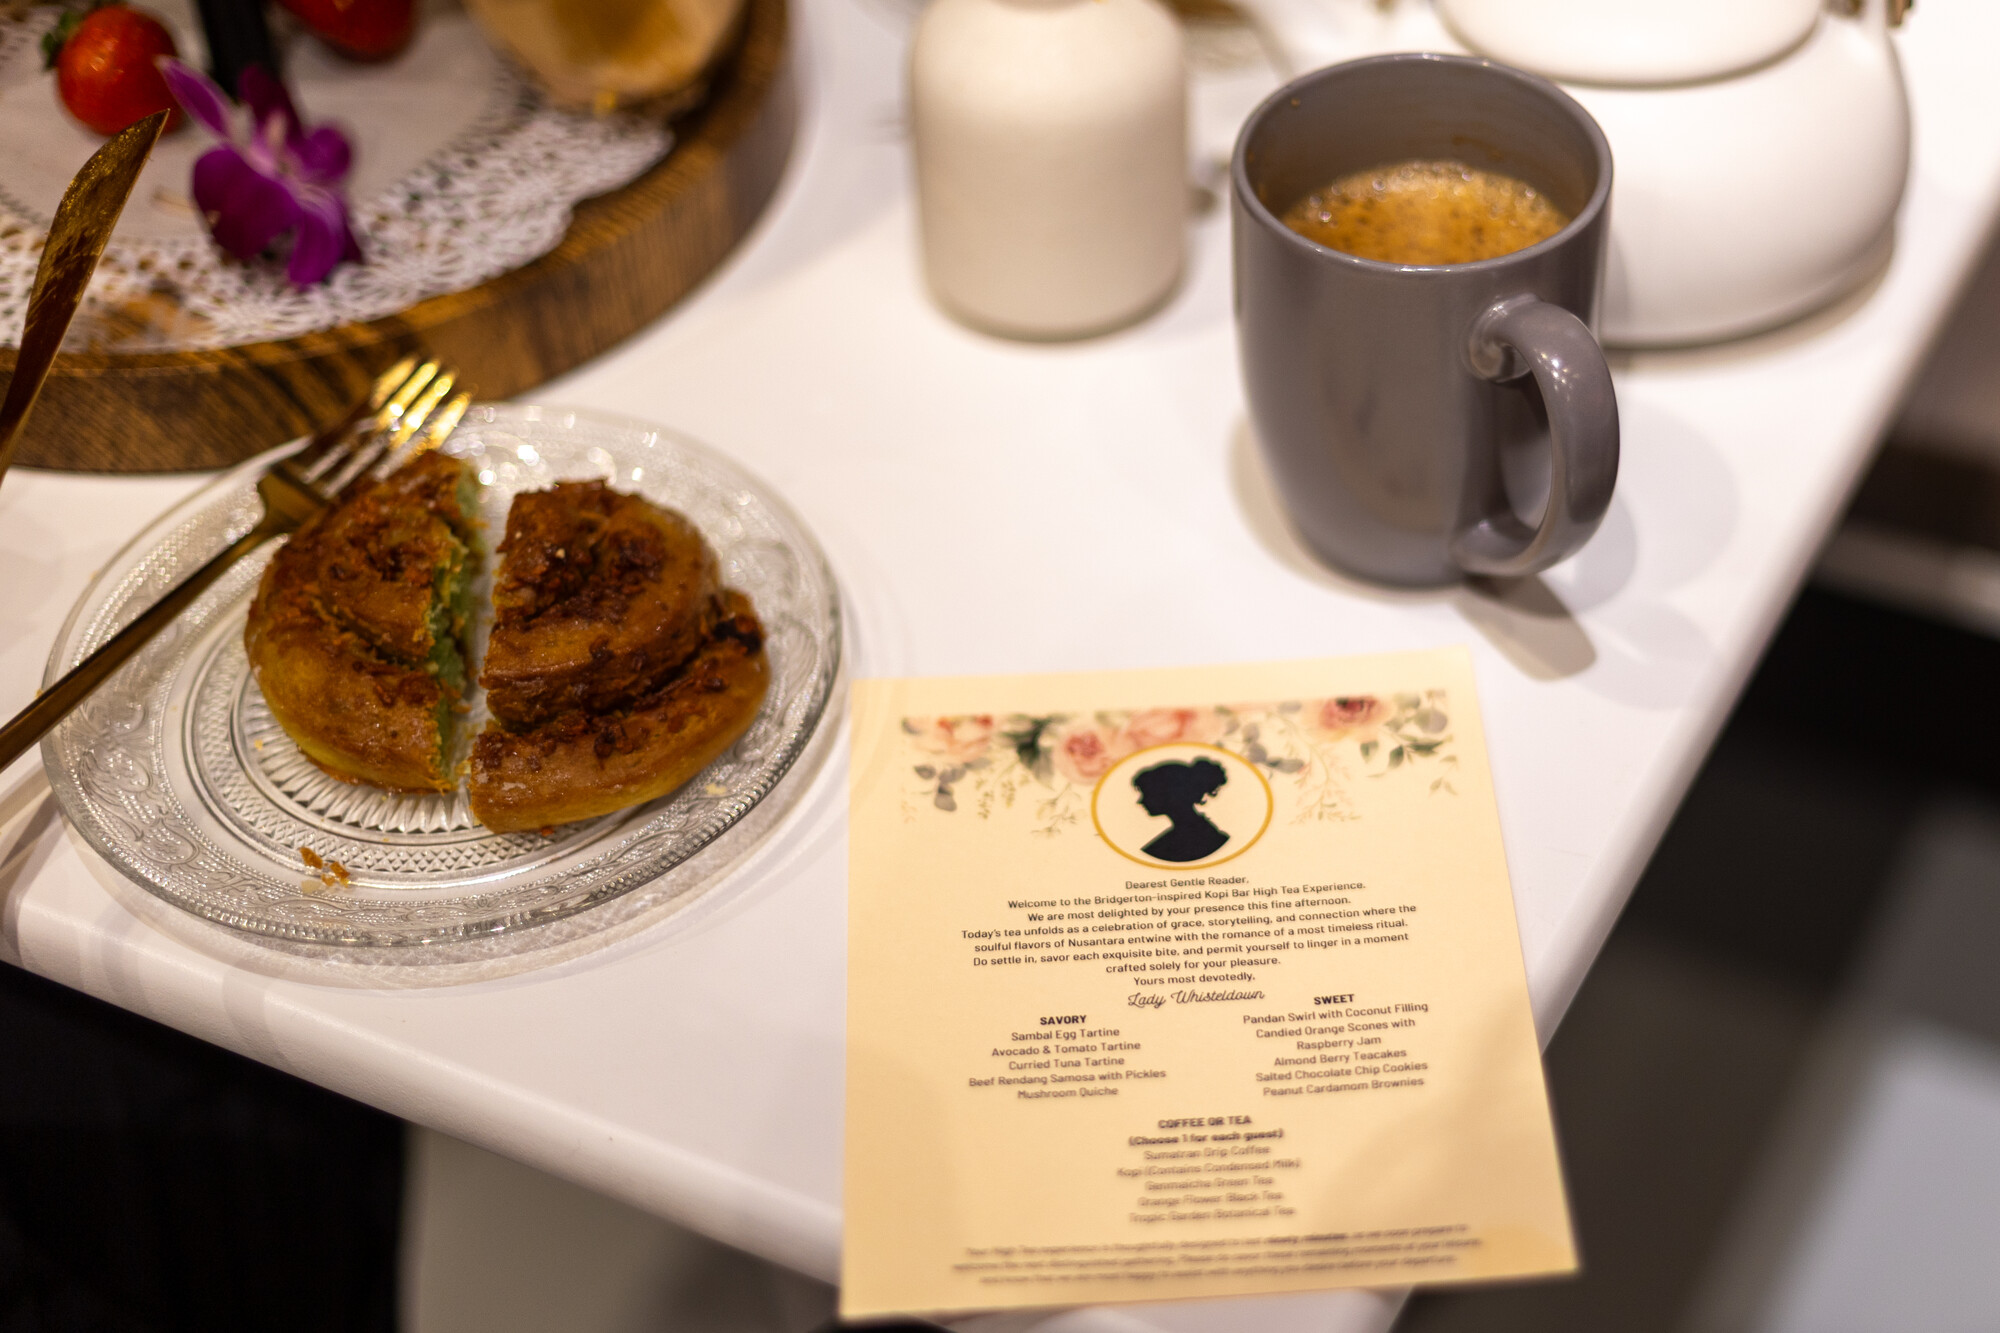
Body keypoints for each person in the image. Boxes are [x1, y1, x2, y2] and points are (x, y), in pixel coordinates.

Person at [1132, 758, 1229, 863]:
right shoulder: (1203, 833)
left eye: (1147, 793)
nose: (1140, 801)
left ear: (1170, 794)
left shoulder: (1197, 838)